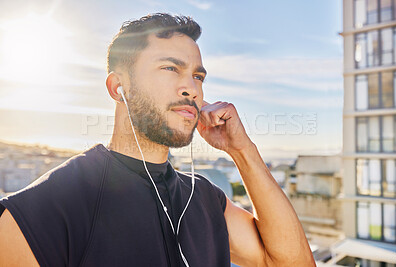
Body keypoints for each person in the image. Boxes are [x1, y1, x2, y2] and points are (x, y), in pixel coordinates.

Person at [0, 13, 315, 267]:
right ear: (118, 88)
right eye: (170, 68)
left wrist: (242, 150)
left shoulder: (205, 200)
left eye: (198, 76)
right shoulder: (44, 208)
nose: (191, 88)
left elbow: (292, 263)